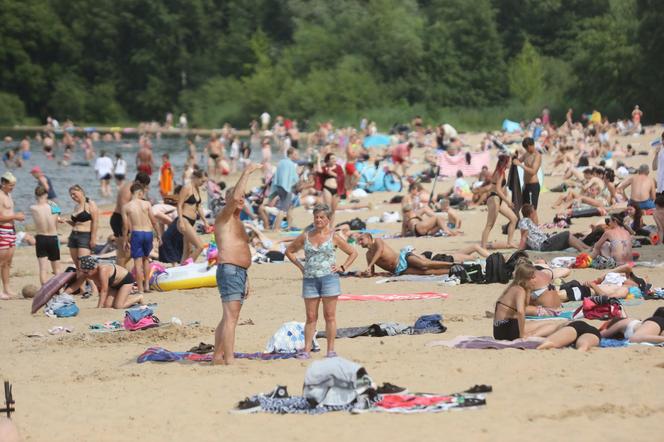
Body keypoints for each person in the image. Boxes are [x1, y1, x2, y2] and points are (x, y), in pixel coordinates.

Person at [285, 204, 358, 359]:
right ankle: (306, 350)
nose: (318, 220)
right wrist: (301, 266)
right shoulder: (306, 236)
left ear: (328, 219)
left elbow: (353, 252)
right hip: (310, 280)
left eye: (321, 217)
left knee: (329, 315)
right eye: (316, 217)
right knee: (311, 317)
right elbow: (289, 251)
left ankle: (330, 350)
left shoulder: (334, 237)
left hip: (329, 279)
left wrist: (342, 267)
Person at [212, 163, 263, 365]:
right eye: (237, 196)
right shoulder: (224, 217)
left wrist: (247, 279)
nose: (241, 199)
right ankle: (229, 359)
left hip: (238, 272)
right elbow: (234, 199)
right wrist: (247, 172)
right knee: (231, 318)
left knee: (228, 317)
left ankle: (217, 356)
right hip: (230, 270)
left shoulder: (237, 221)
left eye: (243, 197)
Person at [357, 233, 487, 276]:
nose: (359, 242)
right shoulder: (368, 255)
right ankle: (454, 270)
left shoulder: (378, 241)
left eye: (361, 239)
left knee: (424, 264)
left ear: (369, 237)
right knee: (427, 272)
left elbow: (379, 252)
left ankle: (454, 264)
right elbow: (371, 272)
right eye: (359, 241)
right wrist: (366, 273)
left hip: (404, 258)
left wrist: (370, 265)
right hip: (399, 270)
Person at [122, 183, 161, 293]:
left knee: (137, 263)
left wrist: (125, 240)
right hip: (148, 233)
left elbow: (125, 226)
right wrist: (159, 234)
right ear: (140, 192)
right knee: (146, 260)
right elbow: (154, 221)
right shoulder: (147, 204)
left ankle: (140, 289)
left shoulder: (126, 207)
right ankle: (147, 286)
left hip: (137, 234)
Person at [67, 255, 144, 308]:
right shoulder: (86, 272)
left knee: (118, 306)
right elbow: (75, 285)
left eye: (87, 272)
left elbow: (104, 290)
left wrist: (99, 307)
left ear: (94, 268)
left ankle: (138, 298)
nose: (85, 274)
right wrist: (63, 294)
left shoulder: (103, 270)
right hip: (114, 285)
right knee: (108, 305)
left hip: (125, 281)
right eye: (83, 272)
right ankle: (123, 297)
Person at [111, 172, 151, 268]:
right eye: (143, 185)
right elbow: (123, 209)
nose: (144, 188)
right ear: (137, 181)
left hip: (127, 220)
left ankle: (125, 275)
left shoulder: (135, 189)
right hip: (120, 220)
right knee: (125, 252)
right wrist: (129, 229)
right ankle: (119, 274)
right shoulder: (127, 190)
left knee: (129, 252)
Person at [480, 155, 518, 249]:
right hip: (494, 198)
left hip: (498, 199)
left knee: (514, 218)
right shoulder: (500, 173)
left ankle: (509, 242)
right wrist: (507, 201)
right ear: (505, 162)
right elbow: (498, 189)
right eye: (509, 161)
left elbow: (502, 188)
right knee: (489, 224)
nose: (510, 163)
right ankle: (483, 247)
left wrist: (507, 199)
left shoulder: (502, 172)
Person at [518, 204, 589, 252]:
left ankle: (586, 248)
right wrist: (519, 251)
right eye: (534, 212)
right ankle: (584, 250)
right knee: (566, 234)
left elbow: (528, 239)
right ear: (531, 213)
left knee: (567, 238)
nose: (535, 214)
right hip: (543, 245)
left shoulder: (530, 223)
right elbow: (524, 236)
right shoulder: (524, 221)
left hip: (545, 243)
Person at [30, 186, 61, 285]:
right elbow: (56, 221)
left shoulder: (33, 208)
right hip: (53, 237)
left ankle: (44, 291)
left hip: (41, 238)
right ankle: (59, 290)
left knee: (43, 269)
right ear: (46, 194)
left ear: (36, 195)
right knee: (56, 268)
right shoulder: (54, 207)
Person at [177, 169, 209, 264]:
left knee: (187, 250)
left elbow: (198, 206)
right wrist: (181, 221)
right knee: (200, 246)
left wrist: (205, 221)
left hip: (192, 222)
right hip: (184, 220)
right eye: (202, 181)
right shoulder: (187, 187)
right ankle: (187, 267)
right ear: (196, 178)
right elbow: (179, 205)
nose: (203, 184)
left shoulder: (196, 188)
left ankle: (182, 269)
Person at [0, 172, 24, 299]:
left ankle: (7, 288)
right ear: (3, 183)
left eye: (14, 185)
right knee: (1, 262)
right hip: (2, 231)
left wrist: (15, 220)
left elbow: (8, 212)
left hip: (10, 231)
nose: (12, 188)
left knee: (8, 262)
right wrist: (15, 216)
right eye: (10, 185)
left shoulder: (8, 194)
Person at [66, 185, 98, 268]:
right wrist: (66, 221)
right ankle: (84, 281)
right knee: (77, 266)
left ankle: (90, 281)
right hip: (73, 236)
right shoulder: (76, 206)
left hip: (85, 236)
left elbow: (95, 221)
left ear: (81, 191)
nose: (72, 196)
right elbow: (76, 224)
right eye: (71, 195)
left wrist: (93, 238)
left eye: (74, 194)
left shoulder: (90, 204)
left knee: (84, 266)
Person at [270, 148, 299, 231]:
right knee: (283, 209)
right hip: (287, 188)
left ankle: (289, 226)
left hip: (279, 186)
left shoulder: (281, 162)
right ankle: (276, 228)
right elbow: (295, 179)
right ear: (291, 154)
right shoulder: (291, 164)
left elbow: (276, 175)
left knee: (290, 207)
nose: (297, 156)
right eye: (295, 154)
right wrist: (298, 173)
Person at [513, 137, 541, 223]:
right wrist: (515, 156)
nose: (526, 149)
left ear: (532, 145)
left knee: (532, 210)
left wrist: (520, 165)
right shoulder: (526, 154)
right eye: (525, 148)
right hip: (526, 185)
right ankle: (529, 227)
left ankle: (536, 229)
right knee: (524, 209)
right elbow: (518, 161)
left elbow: (533, 171)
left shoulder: (537, 156)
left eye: (527, 147)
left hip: (533, 185)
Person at [651, 131, 664, 196]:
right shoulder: (660, 152)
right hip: (660, 188)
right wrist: (656, 154)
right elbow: (654, 168)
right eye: (663, 139)